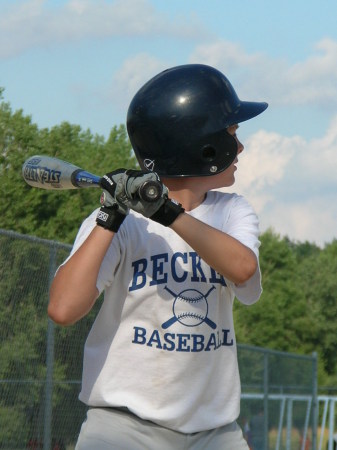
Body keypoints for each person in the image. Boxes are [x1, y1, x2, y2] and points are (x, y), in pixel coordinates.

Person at [48, 63, 268, 449]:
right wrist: (109, 216)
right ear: (201, 146)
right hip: (121, 427)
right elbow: (63, 308)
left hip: (214, 432)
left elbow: (243, 269)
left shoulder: (231, 211)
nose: (241, 147)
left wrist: (167, 213)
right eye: (232, 133)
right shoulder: (121, 222)